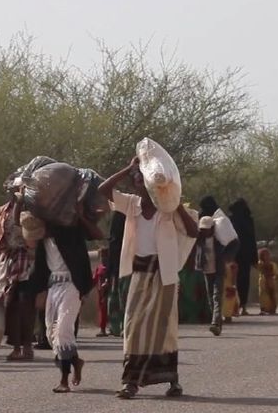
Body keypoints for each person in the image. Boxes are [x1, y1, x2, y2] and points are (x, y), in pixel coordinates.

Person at [99, 157, 198, 400]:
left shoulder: (167, 208)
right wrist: (128, 168)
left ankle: (172, 380)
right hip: (140, 273)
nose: (138, 182)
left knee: (164, 329)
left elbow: (193, 231)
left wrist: (176, 203)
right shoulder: (131, 204)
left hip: (164, 275)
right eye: (137, 179)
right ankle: (131, 381)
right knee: (133, 327)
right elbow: (103, 190)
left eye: (142, 178)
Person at [30, 203, 103, 393]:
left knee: (63, 331)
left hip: (72, 285)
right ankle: (76, 361)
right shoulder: (43, 239)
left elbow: (97, 234)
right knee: (51, 334)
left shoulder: (70, 231)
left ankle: (64, 380)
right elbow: (23, 229)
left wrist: (80, 216)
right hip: (53, 286)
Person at [0, 191, 35, 361]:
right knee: (10, 304)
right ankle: (16, 346)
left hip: (27, 260)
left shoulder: (32, 210)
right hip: (7, 261)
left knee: (25, 303)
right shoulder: (1, 212)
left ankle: (27, 345)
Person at [195, 216, 239, 336]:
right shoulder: (200, 239)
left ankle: (215, 323)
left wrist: (227, 257)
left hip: (218, 271)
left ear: (212, 228)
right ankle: (218, 322)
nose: (205, 231)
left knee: (216, 296)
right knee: (210, 298)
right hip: (207, 271)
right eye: (203, 229)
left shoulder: (219, 240)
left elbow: (235, 243)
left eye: (207, 229)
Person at [229, 198, 258, 316]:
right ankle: (242, 306)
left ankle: (233, 306)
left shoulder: (231, 219)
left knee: (232, 280)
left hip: (233, 254)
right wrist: (254, 258)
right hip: (245, 254)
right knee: (243, 280)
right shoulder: (248, 220)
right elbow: (252, 239)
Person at [106, 212, 128, 337]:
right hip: (122, 267)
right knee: (122, 297)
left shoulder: (115, 240)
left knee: (117, 298)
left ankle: (117, 327)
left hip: (118, 268)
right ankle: (122, 326)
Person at [257, 248, 278, 315]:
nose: (267, 256)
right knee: (263, 295)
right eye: (265, 255)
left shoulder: (273, 264)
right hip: (263, 282)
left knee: (272, 294)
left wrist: (274, 278)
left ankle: (272, 308)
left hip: (271, 281)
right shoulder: (260, 263)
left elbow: (276, 274)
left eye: (268, 255)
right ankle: (263, 309)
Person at [93, 248, 110, 337]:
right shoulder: (99, 268)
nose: (103, 258)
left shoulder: (109, 268)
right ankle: (102, 329)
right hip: (100, 292)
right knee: (102, 310)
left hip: (107, 291)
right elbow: (94, 279)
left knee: (107, 310)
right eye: (102, 256)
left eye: (105, 256)